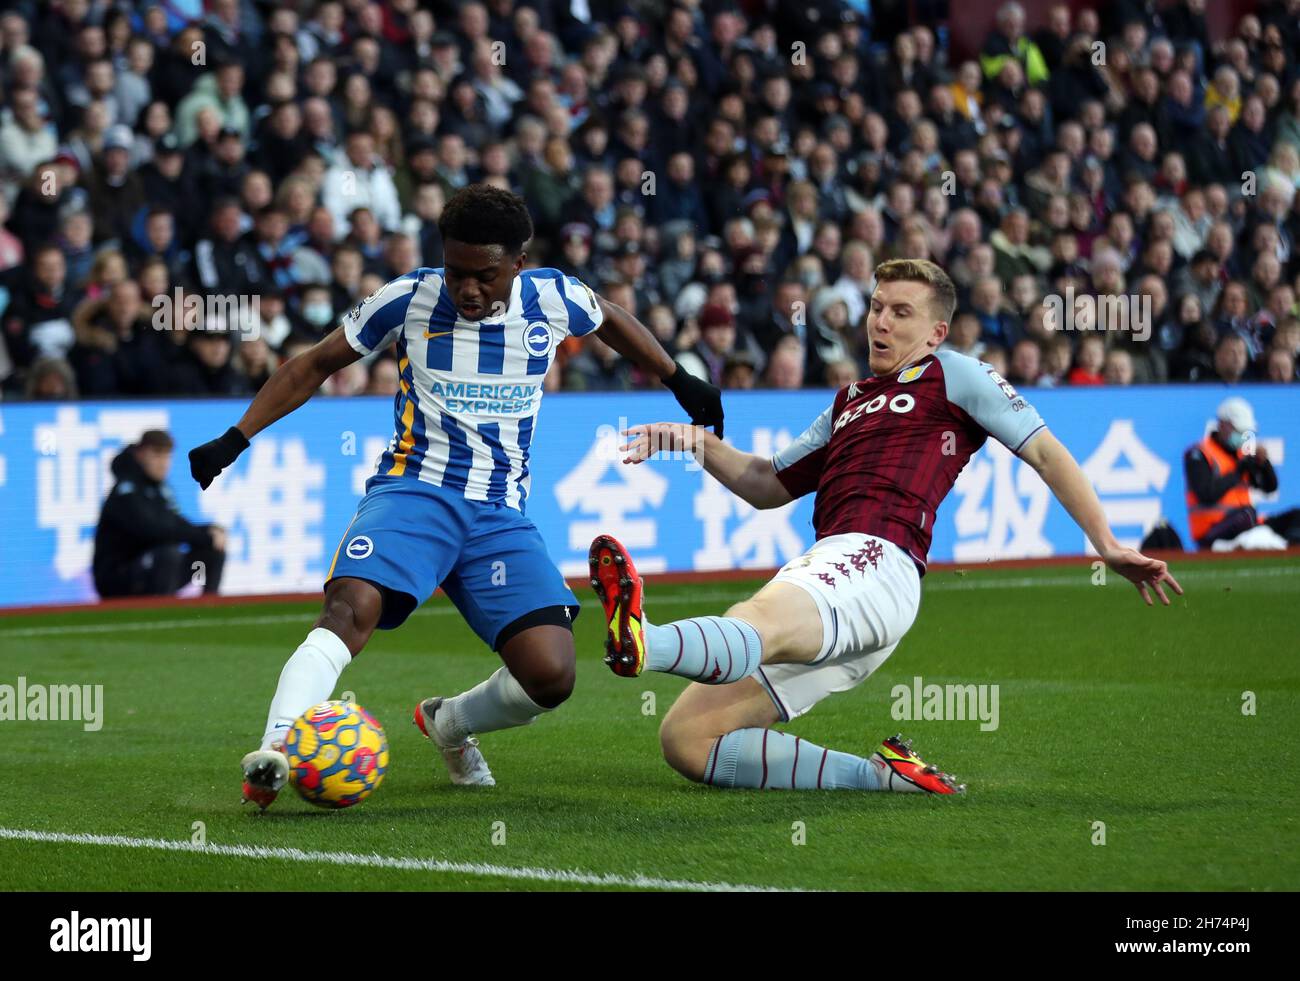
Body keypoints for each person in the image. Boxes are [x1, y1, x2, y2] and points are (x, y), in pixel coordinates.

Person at [187, 185, 724, 808]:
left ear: (518, 263)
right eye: (456, 271)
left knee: (551, 674)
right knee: (348, 607)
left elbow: (610, 320)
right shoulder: (409, 298)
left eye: (484, 275)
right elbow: (314, 364)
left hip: (498, 513)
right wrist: (236, 437)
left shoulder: (552, 298)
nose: (467, 288)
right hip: (415, 492)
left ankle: (449, 724)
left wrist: (678, 378)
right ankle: (277, 750)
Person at [589, 259, 1182, 795]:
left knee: (756, 620)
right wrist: (696, 442)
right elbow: (767, 484)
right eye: (876, 306)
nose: (881, 322)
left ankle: (646, 641)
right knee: (687, 742)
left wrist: (1106, 544)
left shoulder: (956, 375)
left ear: (935, 333)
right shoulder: (850, 400)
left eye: (901, 312)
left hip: (877, 558)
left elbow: (1048, 453)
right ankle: (886, 777)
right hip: (848, 582)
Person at [93, 430, 226, 599]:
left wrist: (209, 532)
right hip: (119, 579)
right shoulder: (125, 491)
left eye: (167, 456)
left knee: (212, 548)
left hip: (154, 570)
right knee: (168, 555)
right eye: (157, 455)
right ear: (140, 454)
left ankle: (209, 606)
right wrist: (204, 536)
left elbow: (175, 522)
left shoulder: (160, 489)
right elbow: (153, 530)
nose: (163, 463)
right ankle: (162, 611)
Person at [1183, 397, 1300, 549]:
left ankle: (1287, 551)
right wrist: (1238, 472)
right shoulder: (1198, 454)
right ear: (1222, 425)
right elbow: (1206, 494)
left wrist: (1264, 464)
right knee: (1247, 514)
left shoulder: (1241, 454)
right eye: (1239, 431)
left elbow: (1269, 487)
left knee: (1296, 516)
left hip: (1246, 523)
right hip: (1212, 531)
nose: (1242, 436)